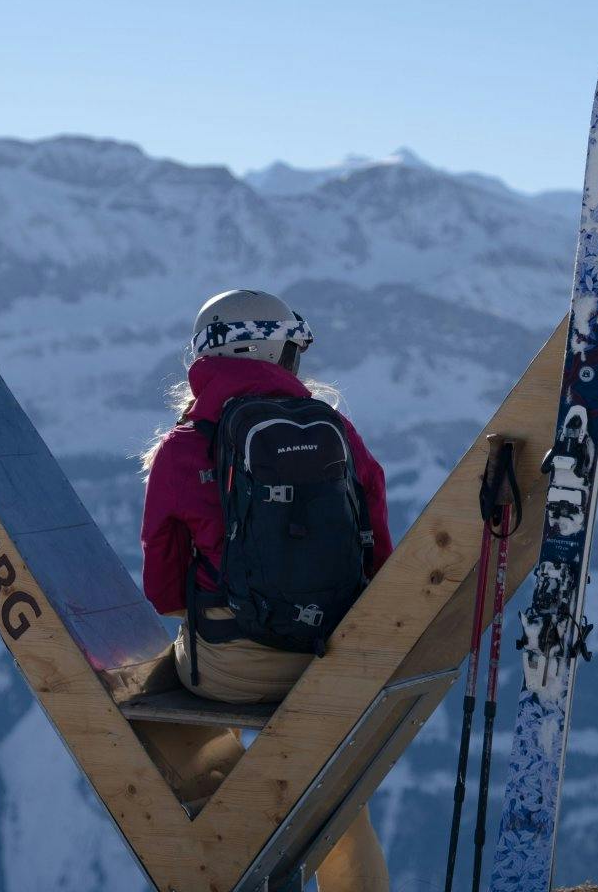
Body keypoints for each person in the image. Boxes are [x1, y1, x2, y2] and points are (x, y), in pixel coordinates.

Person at [141, 288, 394, 892]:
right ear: (280, 355)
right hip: (326, 664)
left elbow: (164, 595)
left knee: (164, 711)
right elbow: (379, 557)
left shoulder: (181, 451)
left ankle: (231, 850)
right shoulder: (339, 434)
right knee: (331, 787)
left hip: (228, 669)